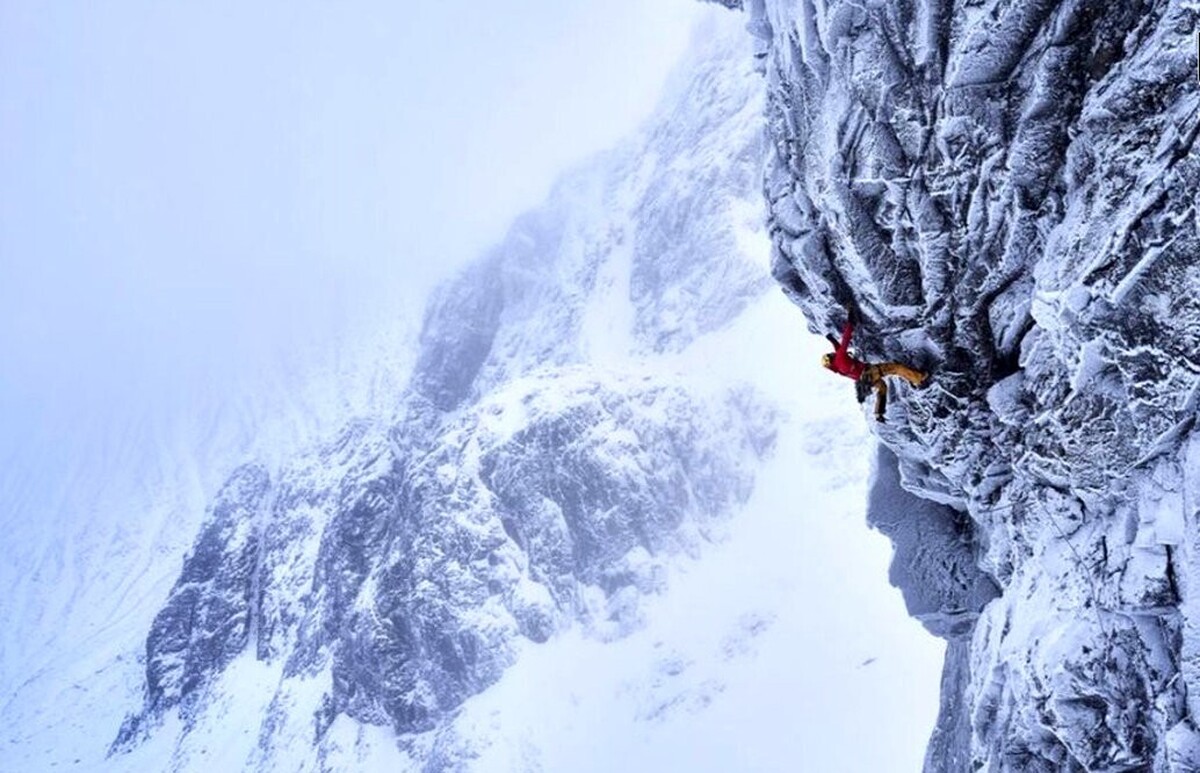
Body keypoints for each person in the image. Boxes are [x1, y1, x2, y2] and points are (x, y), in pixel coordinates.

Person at [821, 311, 927, 422]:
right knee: (896, 368)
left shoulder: (838, 368)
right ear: (831, 358)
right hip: (869, 372)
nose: (832, 353)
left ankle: (878, 413)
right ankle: (918, 378)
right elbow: (845, 339)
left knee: (882, 388)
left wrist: (832, 340)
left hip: (866, 380)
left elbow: (839, 351)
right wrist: (850, 322)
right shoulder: (840, 358)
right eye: (830, 355)